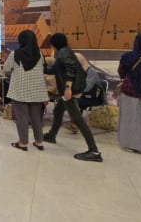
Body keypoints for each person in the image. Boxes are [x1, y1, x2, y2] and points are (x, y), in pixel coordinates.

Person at [43, 33, 102, 162]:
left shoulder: (63, 53)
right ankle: (51, 135)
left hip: (69, 91)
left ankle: (94, 151)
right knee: (58, 111)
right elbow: (56, 69)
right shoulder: (63, 52)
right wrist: (43, 68)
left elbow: (70, 70)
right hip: (67, 90)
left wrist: (68, 88)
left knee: (78, 120)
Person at [3, 30, 47, 151]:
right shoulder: (40, 54)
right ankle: (39, 141)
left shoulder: (15, 54)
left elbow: (6, 69)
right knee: (36, 117)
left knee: (22, 117)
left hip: (19, 90)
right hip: (36, 91)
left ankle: (23, 143)